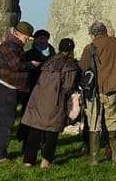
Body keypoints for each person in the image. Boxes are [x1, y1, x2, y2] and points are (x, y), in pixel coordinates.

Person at [21, 38, 80, 168]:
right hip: (55, 100)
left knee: (35, 130)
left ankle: (28, 161)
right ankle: (45, 161)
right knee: (52, 132)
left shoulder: (50, 61)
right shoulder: (70, 66)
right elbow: (68, 87)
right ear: (71, 50)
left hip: (38, 99)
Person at [78, 21, 116, 163]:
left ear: (92, 34)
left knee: (94, 122)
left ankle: (94, 159)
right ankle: (115, 156)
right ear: (104, 32)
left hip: (95, 90)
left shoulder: (90, 48)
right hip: (114, 88)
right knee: (112, 119)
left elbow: (82, 69)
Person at [0, 20, 38, 164]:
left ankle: (0, 153)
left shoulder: (14, 45)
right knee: (4, 123)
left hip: (10, 87)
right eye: (26, 37)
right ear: (18, 34)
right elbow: (16, 65)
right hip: (5, 88)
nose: (28, 40)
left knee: (6, 122)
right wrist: (31, 64)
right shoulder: (9, 46)